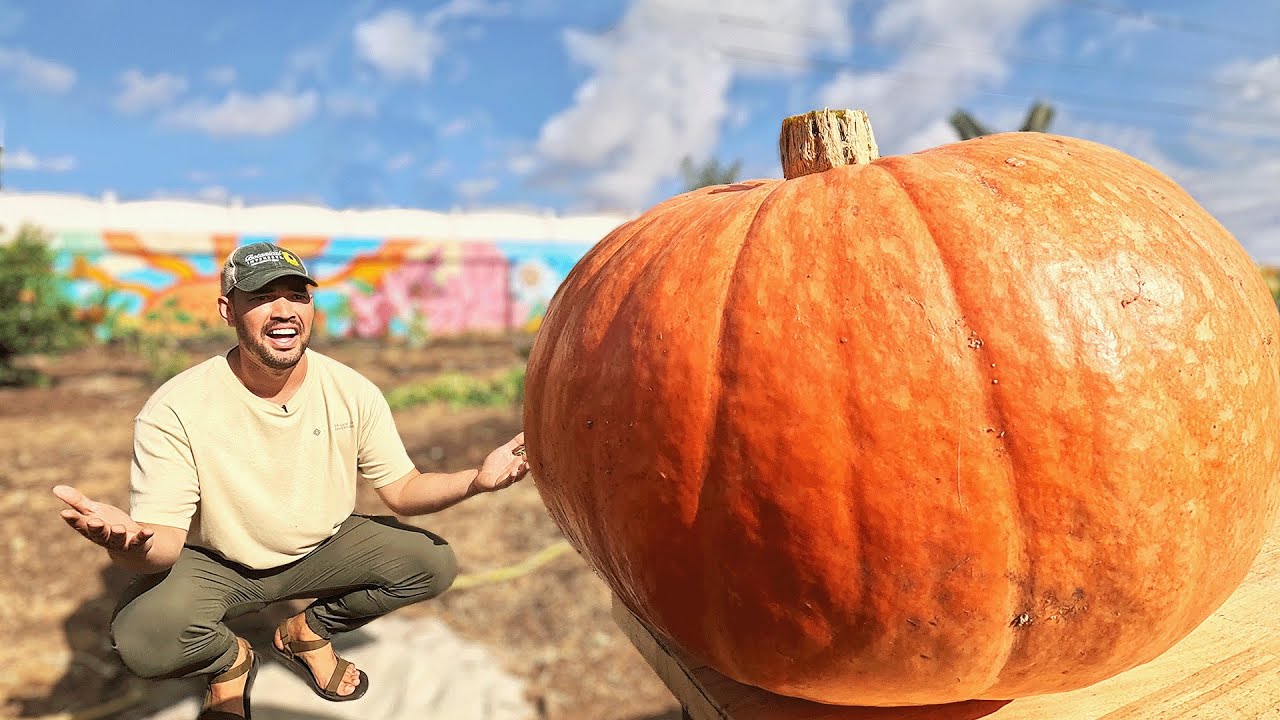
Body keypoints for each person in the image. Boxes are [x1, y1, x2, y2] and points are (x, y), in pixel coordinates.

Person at [52, 241, 530, 719]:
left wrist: (476, 481)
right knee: (142, 640)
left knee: (431, 562)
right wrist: (127, 542)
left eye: (297, 295)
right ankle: (229, 663)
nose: (284, 311)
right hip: (221, 562)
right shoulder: (175, 408)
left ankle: (306, 633)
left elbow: (403, 490)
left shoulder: (351, 390)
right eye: (262, 297)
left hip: (322, 547)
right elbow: (165, 545)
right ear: (227, 309)